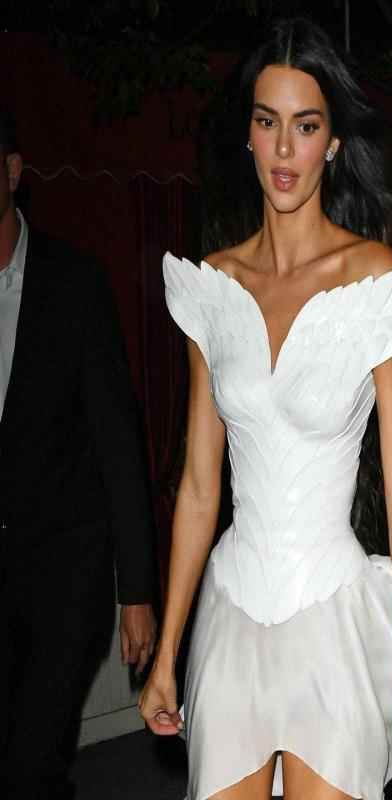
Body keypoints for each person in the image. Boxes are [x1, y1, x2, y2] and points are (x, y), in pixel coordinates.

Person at [140, 17, 392, 800]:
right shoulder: (213, 285)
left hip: (331, 617)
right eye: (267, 122)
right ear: (248, 135)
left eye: (305, 126)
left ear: (333, 142)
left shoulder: (371, 275)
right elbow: (201, 487)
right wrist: (167, 649)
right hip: (232, 614)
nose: (284, 148)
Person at [0, 109, 157, 800]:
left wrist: (137, 592)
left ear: (12, 172)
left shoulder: (73, 283)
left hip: (65, 573)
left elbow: (118, 440)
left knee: (31, 764)